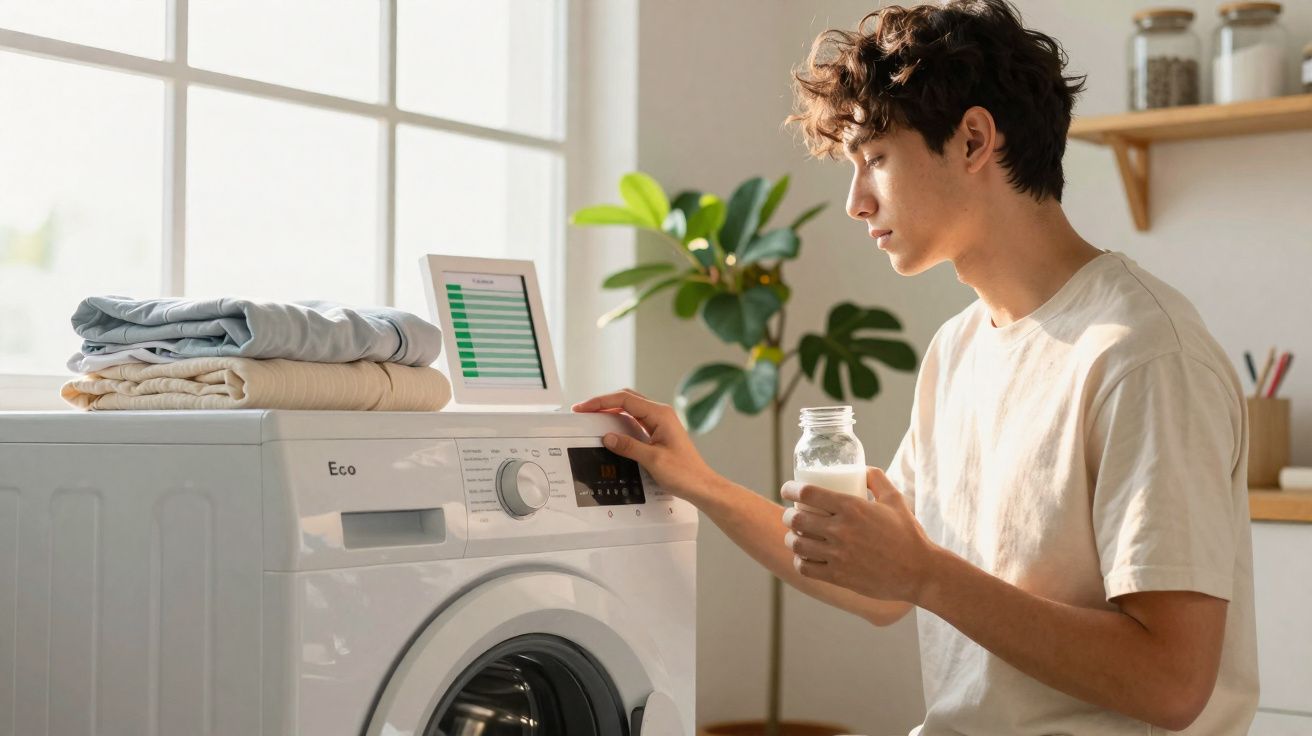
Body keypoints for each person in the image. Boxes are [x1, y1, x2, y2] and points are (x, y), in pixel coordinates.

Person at [573, 0, 1259, 733]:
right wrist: (701, 485)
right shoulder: (960, 349)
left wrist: (927, 573)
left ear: (972, 140)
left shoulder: (1142, 353)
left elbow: (1172, 682)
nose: (854, 202)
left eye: (874, 160)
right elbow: (882, 587)